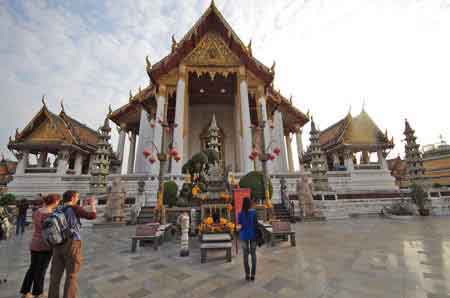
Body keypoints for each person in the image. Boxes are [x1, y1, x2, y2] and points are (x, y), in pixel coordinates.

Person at [48, 191, 96, 298]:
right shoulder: (75, 208)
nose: (78, 199)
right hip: (72, 243)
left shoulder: (58, 209)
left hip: (57, 244)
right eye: (77, 197)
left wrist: (83, 206)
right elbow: (92, 215)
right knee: (71, 275)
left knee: (55, 276)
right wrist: (93, 204)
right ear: (73, 198)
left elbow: (74, 213)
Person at [20, 194, 61, 298]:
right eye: (58, 201)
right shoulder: (51, 214)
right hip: (45, 245)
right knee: (41, 270)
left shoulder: (37, 211)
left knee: (33, 268)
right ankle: (38, 293)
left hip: (34, 243)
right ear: (55, 202)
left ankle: (25, 292)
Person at [237, 197, 257, 281]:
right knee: (253, 255)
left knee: (245, 256)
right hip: (253, 235)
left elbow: (239, 225)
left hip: (244, 235)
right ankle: (253, 275)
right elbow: (256, 224)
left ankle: (247, 274)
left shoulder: (240, 213)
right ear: (250, 203)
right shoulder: (254, 213)